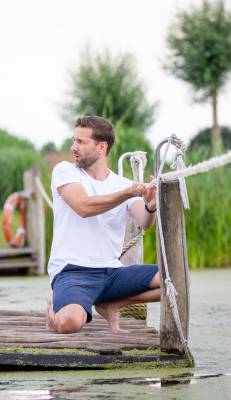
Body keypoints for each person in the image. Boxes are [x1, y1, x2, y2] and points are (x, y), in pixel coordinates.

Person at [45, 115, 160, 334]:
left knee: (176, 281)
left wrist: (151, 205)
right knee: (69, 324)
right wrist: (126, 193)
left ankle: (112, 304)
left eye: (81, 142)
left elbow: (145, 221)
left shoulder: (122, 183)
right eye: (74, 140)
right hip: (72, 272)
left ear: (101, 147)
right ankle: (52, 312)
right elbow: (84, 207)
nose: (73, 147)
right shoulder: (65, 171)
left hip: (112, 273)